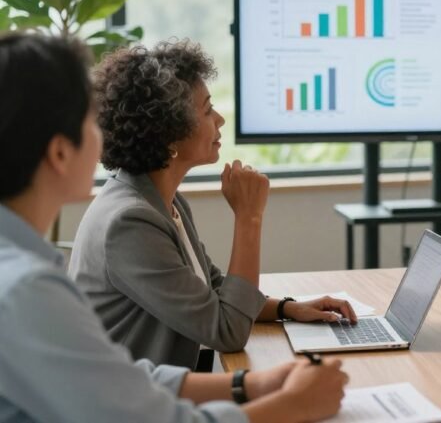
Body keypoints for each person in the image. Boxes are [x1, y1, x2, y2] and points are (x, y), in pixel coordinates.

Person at [0, 34, 347, 422]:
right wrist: (290, 406)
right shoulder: (43, 278)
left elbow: (121, 376)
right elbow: (220, 333)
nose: (103, 136)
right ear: (60, 153)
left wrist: (253, 378)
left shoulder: (158, 202)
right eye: (89, 122)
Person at [69, 41, 357, 370]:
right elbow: (227, 330)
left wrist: (288, 308)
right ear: (169, 134)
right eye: (206, 110)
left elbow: (212, 288)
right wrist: (249, 217)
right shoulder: (131, 223)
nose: (219, 119)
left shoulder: (162, 200)